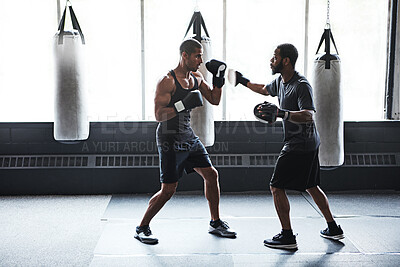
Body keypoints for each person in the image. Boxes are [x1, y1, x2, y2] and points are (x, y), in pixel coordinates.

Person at [232, 43, 344, 250]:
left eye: (274, 57)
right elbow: (265, 90)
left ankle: (287, 236)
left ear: (286, 60)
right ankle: (333, 227)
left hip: (299, 143)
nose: (271, 60)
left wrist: (282, 113)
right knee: (311, 185)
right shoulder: (280, 81)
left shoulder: (301, 85)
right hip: (308, 142)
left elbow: (309, 115)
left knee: (276, 187)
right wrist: (242, 81)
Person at [134, 38, 236, 244]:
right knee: (168, 189)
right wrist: (182, 105)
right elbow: (158, 115)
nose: (201, 60)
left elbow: (214, 99)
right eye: (197, 55)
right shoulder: (167, 81)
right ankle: (142, 227)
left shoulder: (197, 77)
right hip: (169, 138)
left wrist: (219, 79)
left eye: (201, 55)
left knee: (211, 174)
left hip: (188, 135)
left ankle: (215, 222)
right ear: (185, 56)